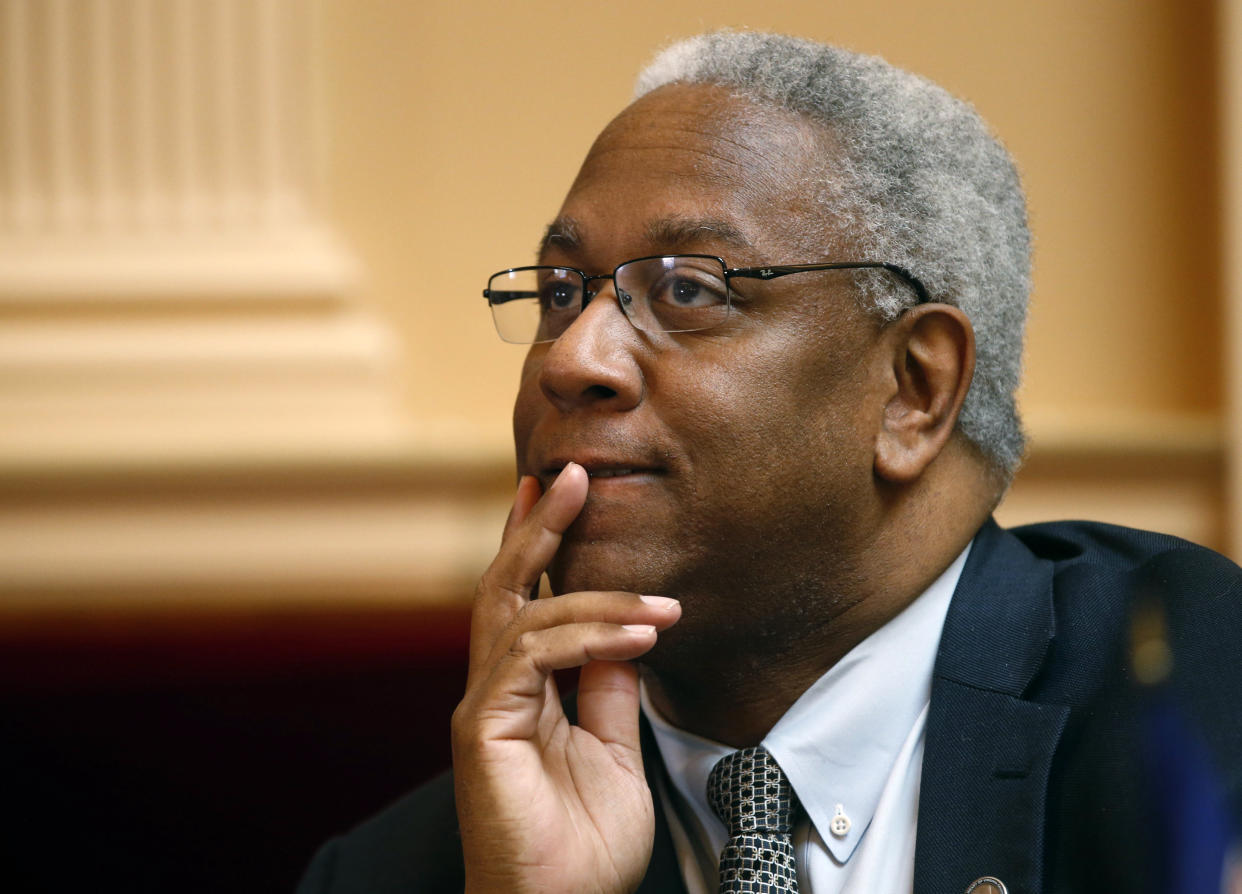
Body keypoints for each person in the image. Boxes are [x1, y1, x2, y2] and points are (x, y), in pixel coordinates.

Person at [299, 31, 1242, 894]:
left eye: (688, 290)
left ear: (913, 388)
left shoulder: (1199, 696)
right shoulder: (406, 870)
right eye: (558, 292)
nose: (573, 358)